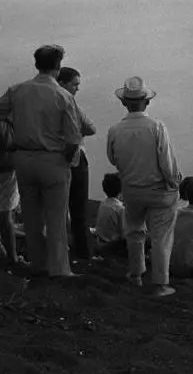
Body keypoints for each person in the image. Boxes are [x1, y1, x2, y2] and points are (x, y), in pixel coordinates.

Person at [0, 45, 82, 280]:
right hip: (52, 160)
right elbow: (73, 139)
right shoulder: (63, 96)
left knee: (31, 218)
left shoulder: (17, 90)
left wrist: (13, 135)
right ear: (58, 67)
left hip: (23, 159)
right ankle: (60, 269)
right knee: (56, 218)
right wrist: (65, 160)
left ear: (36, 64)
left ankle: (38, 265)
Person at [107, 76, 181, 297]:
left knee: (134, 232)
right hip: (158, 192)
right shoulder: (157, 127)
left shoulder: (114, 130)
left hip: (131, 191)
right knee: (161, 236)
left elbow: (112, 158)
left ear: (124, 102)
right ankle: (160, 283)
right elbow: (167, 163)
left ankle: (136, 274)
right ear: (147, 101)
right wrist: (173, 182)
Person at [57, 67, 98, 262]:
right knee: (79, 208)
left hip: (51, 159)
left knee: (57, 208)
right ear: (62, 83)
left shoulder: (44, 103)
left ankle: (60, 250)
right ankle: (84, 253)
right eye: (75, 84)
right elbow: (91, 128)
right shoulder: (70, 103)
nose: (77, 89)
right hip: (74, 159)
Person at [94, 172, 126, 257]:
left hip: (100, 241)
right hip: (112, 245)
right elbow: (124, 235)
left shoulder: (103, 203)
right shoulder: (120, 209)